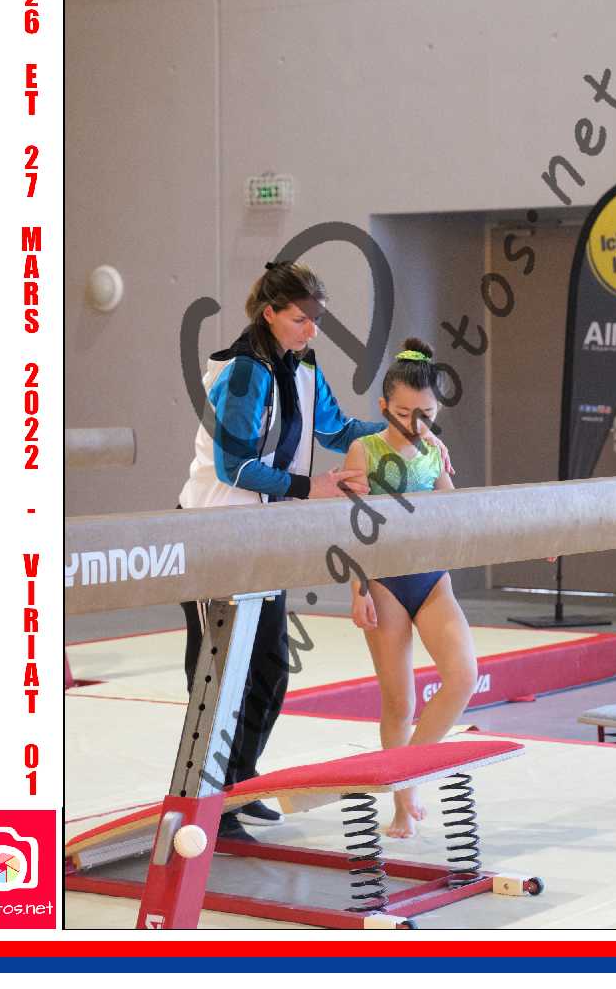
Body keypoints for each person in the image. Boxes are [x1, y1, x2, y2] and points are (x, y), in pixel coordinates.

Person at [178, 264, 451, 841]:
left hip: (267, 534)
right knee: (220, 674)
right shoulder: (243, 374)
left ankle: (240, 783)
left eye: (317, 320)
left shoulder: (303, 368)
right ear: (270, 314)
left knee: (271, 668)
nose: (312, 330)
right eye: (301, 319)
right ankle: (207, 801)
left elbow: (338, 430)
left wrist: (412, 433)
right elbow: (234, 467)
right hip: (216, 534)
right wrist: (309, 487)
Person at [342, 338, 478, 840]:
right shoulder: (365, 450)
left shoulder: (434, 453)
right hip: (384, 581)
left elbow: (460, 515)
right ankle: (403, 803)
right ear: (384, 407)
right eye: (403, 413)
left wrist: (536, 541)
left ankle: (408, 775)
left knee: (463, 676)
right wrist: (357, 588)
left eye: (426, 415)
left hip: (432, 578)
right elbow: (352, 524)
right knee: (399, 704)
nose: (414, 424)